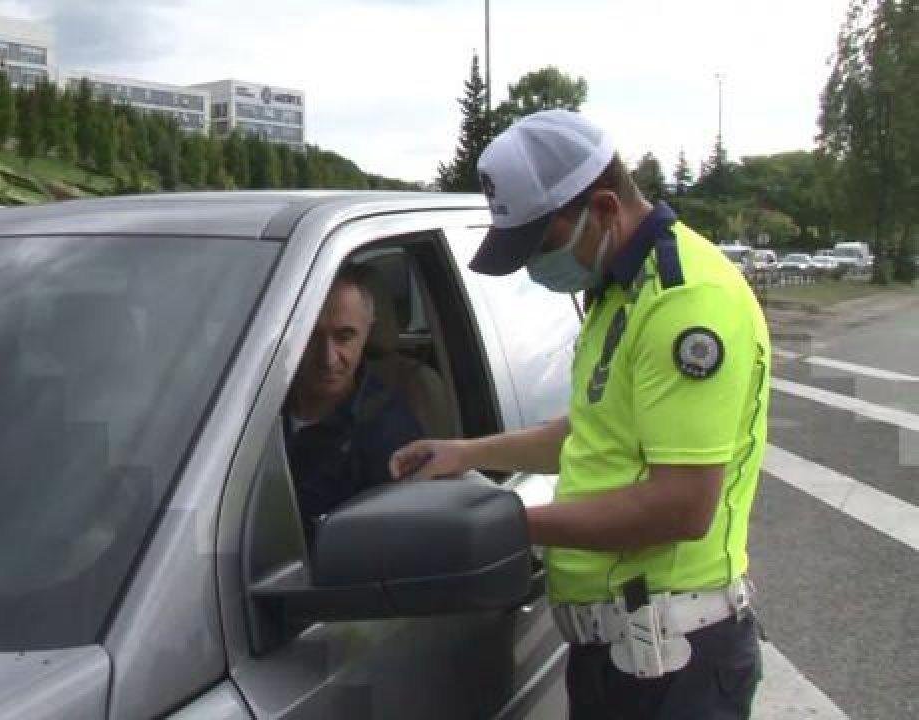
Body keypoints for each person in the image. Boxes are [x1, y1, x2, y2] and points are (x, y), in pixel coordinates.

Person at [391, 110, 770, 719]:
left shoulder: (685, 303)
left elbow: (682, 504)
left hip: (675, 671)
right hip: (618, 658)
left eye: (540, 244)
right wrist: (467, 454)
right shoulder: (618, 291)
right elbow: (594, 433)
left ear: (603, 207)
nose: (537, 268)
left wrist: (508, 523)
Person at [286, 265, 423, 540]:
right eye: (310, 336)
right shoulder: (248, 407)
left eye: (344, 337)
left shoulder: (389, 434)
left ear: (367, 333)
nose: (327, 358)